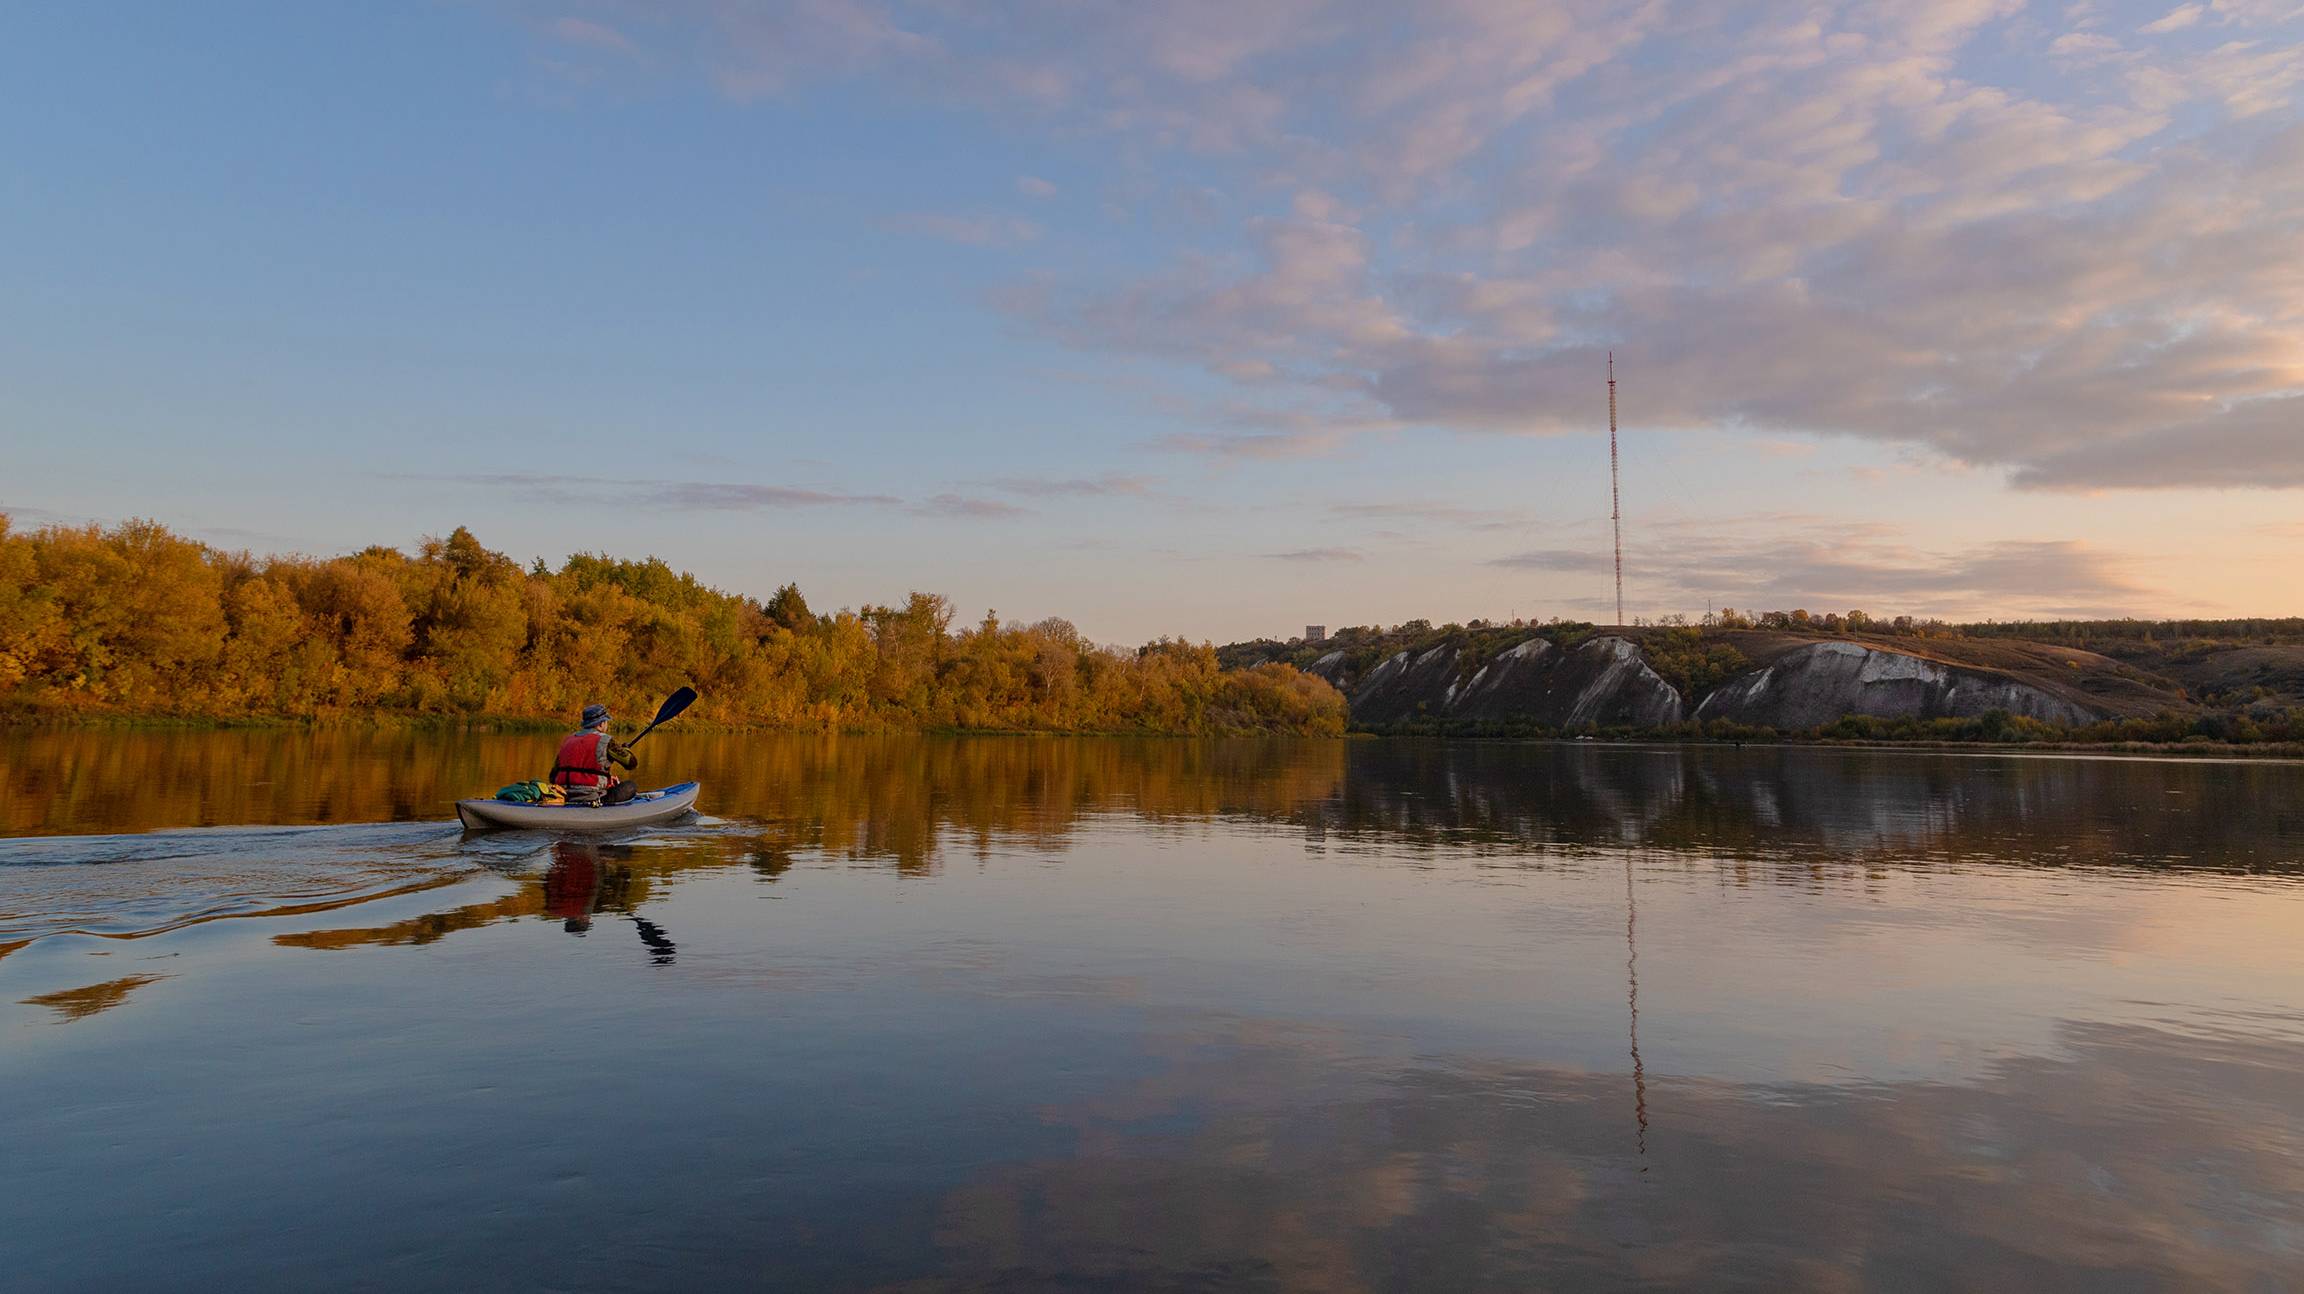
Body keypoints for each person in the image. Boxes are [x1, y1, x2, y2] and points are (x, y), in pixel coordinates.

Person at [551, 703, 638, 802]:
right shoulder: (606, 741)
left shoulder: (567, 740)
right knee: (631, 786)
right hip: (594, 796)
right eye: (606, 722)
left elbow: (553, 776)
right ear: (601, 724)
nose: (607, 725)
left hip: (565, 794)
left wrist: (608, 778)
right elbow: (631, 763)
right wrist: (625, 750)